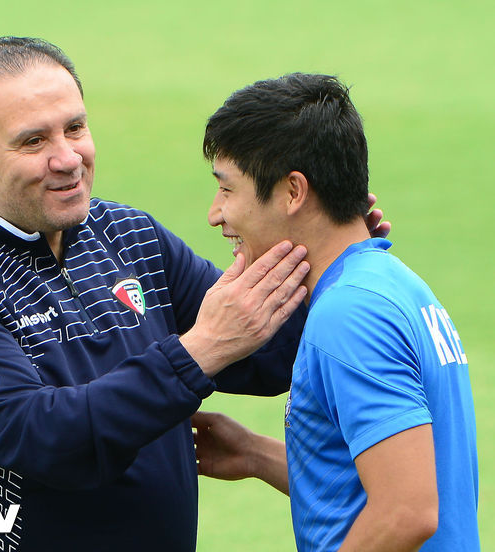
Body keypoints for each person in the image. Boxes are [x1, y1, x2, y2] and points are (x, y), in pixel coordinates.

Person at [0, 36, 316, 552]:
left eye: (75, 129)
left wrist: (334, 261)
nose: (67, 159)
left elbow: (268, 355)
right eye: (33, 141)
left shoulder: (129, 236)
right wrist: (201, 349)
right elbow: (53, 444)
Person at [192, 73, 479, 551]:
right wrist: (254, 454)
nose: (215, 213)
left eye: (227, 189)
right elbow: (381, 477)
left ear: (293, 192)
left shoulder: (349, 314)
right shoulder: (395, 283)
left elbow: (407, 510)